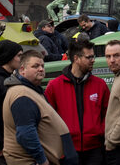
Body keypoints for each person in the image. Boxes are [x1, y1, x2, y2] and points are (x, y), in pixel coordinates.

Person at [1, 50, 77, 165]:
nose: (41, 69)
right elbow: (25, 134)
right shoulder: (22, 95)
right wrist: (42, 160)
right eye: (35, 66)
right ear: (22, 70)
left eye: (42, 65)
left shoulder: (31, 90)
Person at [45, 36, 110, 165]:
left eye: (93, 56)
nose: (93, 60)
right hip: (67, 150)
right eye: (89, 57)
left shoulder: (100, 85)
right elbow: (48, 119)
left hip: (95, 150)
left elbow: (108, 113)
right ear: (76, 58)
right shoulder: (54, 86)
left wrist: (100, 132)